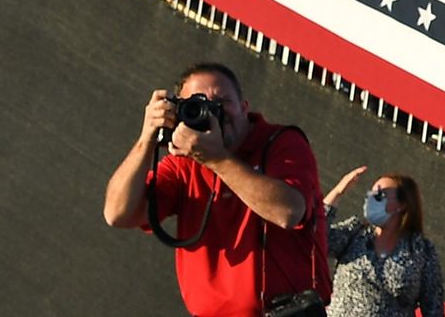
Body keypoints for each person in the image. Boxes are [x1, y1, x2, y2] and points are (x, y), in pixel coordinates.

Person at [102, 62, 330, 316]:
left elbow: (288, 212)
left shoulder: (281, 143)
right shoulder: (183, 164)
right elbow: (117, 214)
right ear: (179, 114)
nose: (214, 113)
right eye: (197, 106)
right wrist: (147, 139)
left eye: (222, 102)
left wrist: (216, 159)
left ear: (244, 108)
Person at [318, 167, 445, 317]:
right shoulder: (355, 232)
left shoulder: (421, 250)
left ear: (402, 205)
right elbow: (315, 238)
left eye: (379, 196)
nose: (371, 200)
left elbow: (434, 308)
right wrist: (338, 192)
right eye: (370, 195)